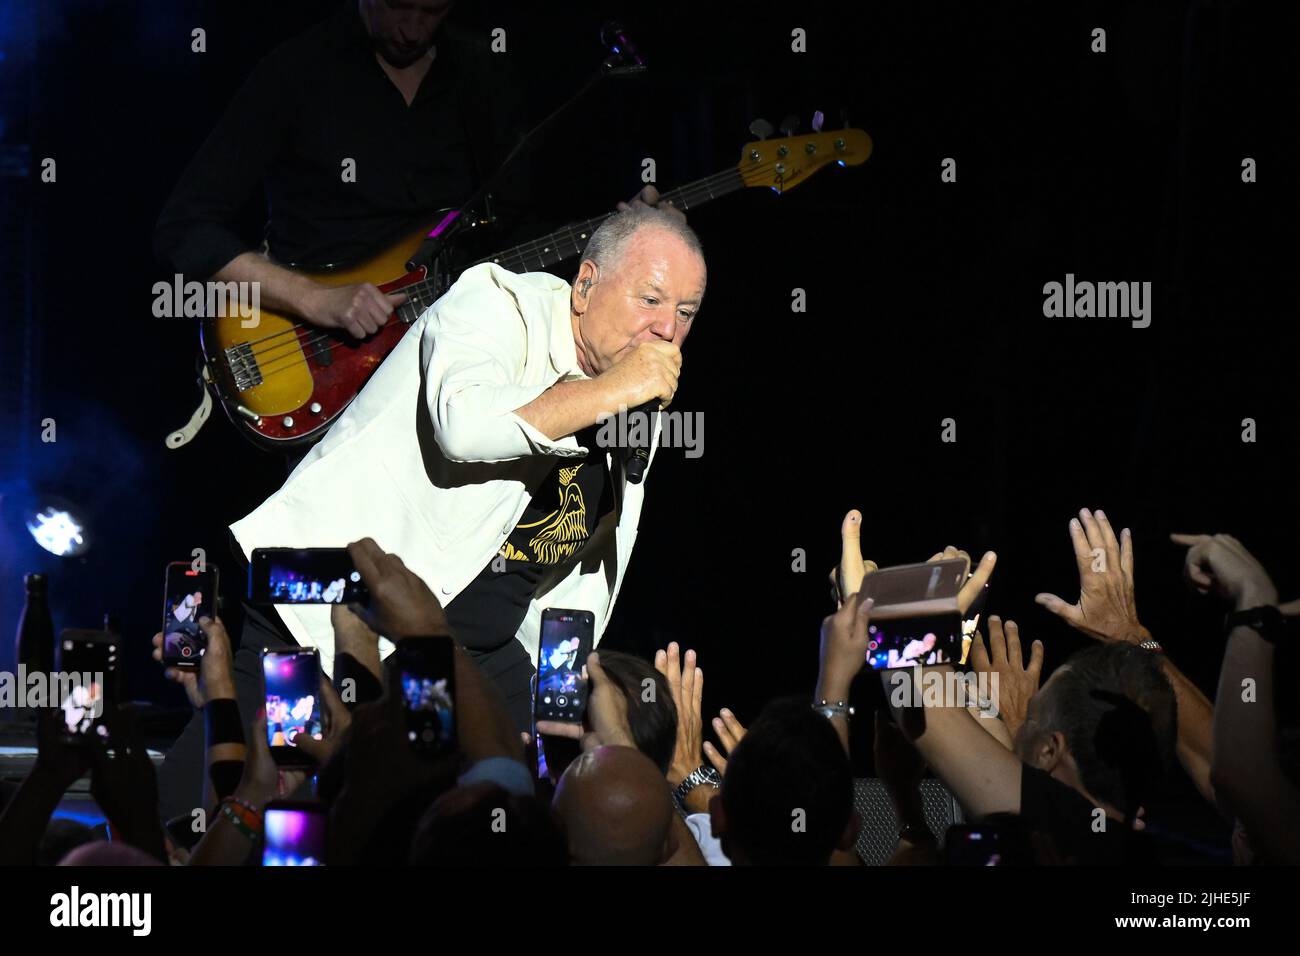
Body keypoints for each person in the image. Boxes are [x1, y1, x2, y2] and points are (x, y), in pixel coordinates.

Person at [226, 206, 705, 733]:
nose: (666, 330)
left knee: (532, 792)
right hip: (333, 601)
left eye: (686, 312)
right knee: (252, 792)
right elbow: (465, 428)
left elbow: (578, 573)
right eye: (651, 300)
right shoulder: (496, 304)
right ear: (586, 286)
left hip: (472, 651)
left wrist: (556, 699)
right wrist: (610, 392)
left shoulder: (635, 394)